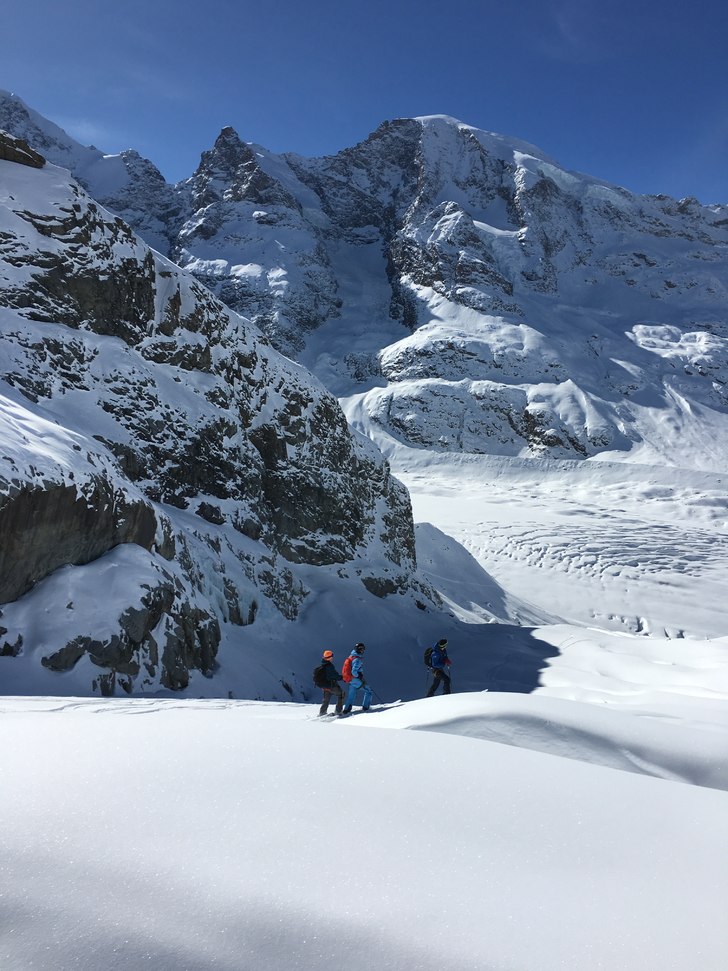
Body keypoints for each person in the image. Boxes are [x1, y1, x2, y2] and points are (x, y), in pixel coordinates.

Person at [342, 642, 372, 713]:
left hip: (350, 679)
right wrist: (359, 675)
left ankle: (346, 710)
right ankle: (366, 707)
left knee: (352, 694)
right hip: (355, 679)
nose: (362, 651)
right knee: (368, 691)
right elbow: (354, 672)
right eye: (362, 649)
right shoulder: (357, 659)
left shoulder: (351, 656)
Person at [316, 650, 345, 716]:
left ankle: (322, 712)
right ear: (329, 657)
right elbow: (335, 676)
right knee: (341, 694)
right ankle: (338, 711)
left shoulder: (322, 665)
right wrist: (342, 677)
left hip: (324, 686)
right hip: (331, 685)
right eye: (332, 656)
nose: (332, 658)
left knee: (326, 699)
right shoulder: (329, 666)